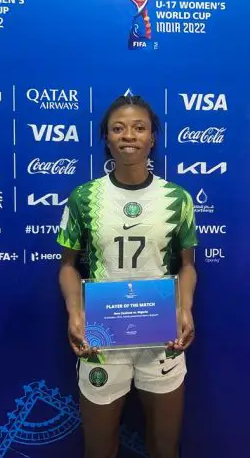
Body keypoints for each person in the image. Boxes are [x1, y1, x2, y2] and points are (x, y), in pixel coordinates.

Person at [57, 94, 198, 458]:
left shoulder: (177, 198)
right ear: (106, 138)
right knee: (99, 450)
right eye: (118, 128)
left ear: (152, 138)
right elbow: (67, 266)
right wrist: (75, 312)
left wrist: (184, 308)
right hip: (101, 340)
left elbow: (187, 265)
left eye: (139, 128)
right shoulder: (84, 197)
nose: (129, 136)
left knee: (165, 448)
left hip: (162, 338)